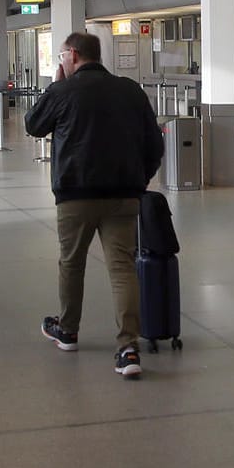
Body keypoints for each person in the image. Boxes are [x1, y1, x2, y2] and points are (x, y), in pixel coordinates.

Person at [25, 32, 164, 379]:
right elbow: (154, 146)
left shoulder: (63, 91)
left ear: (72, 55)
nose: (61, 62)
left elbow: (33, 125)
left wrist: (55, 85)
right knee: (122, 269)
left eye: (62, 56)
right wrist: (138, 181)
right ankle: (128, 349)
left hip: (76, 195)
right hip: (123, 195)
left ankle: (68, 330)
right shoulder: (130, 91)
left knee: (72, 263)